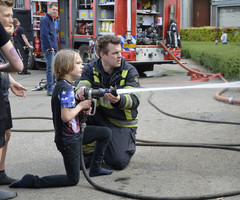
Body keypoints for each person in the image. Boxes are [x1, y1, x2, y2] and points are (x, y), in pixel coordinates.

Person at [9, 49, 113, 189]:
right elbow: (66, 116)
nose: (82, 65)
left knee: (105, 133)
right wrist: (80, 105)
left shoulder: (64, 86)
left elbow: (68, 110)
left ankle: (95, 168)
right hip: (68, 140)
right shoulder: (66, 89)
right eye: (78, 63)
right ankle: (32, 181)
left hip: (74, 134)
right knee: (72, 179)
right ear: (66, 67)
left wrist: (80, 108)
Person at [75, 35, 141, 170]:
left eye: (120, 52)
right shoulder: (90, 68)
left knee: (117, 162)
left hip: (121, 123)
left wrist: (119, 100)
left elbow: (134, 99)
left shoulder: (129, 71)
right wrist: (81, 90)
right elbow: (82, 83)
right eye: (115, 53)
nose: (120, 56)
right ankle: (90, 152)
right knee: (75, 107)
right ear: (102, 54)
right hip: (100, 118)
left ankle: (127, 144)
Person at [0, 1, 24, 199]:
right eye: (6, 15)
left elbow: (2, 64)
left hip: (2, 91)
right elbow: (17, 64)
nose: (11, 20)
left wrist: (10, 81)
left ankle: (0, 173)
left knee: (6, 133)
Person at [40, 2, 58, 96]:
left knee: (54, 69)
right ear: (49, 9)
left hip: (54, 47)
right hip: (49, 49)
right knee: (50, 69)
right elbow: (44, 34)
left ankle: (52, 87)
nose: (55, 11)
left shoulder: (52, 19)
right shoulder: (45, 19)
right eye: (54, 9)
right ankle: (50, 89)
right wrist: (49, 47)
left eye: (56, 10)